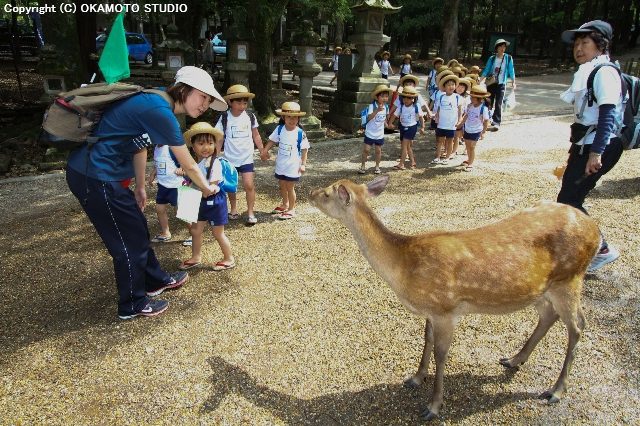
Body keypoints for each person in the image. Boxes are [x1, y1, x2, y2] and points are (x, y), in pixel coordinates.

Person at [65, 66, 227, 319]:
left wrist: (140, 187)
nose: (205, 104)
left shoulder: (154, 101)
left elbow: (138, 147)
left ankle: (155, 280)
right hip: (94, 177)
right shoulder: (160, 111)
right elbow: (189, 164)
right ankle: (132, 303)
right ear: (183, 89)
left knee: (138, 227)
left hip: (107, 176)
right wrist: (208, 189)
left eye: (208, 100)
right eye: (203, 97)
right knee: (127, 242)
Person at [558, 20, 624, 272]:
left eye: (585, 42)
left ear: (600, 45)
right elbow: (586, 117)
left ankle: (601, 249)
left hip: (600, 147)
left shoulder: (604, 71)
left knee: (569, 199)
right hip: (587, 145)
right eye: (576, 43)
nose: (578, 48)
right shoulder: (588, 70)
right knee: (568, 199)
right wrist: (576, 150)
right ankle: (584, 248)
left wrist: (595, 153)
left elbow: (608, 114)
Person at [179, 122, 235, 272]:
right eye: (201, 143)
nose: (206, 147)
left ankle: (229, 258)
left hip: (214, 202)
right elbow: (195, 177)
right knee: (196, 230)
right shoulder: (198, 162)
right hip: (200, 200)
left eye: (210, 143)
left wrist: (197, 189)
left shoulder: (215, 163)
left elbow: (211, 186)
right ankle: (196, 257)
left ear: (215, 145)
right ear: (193, 145)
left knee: (218, 232)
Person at [215, 84, 267, 226]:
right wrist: (214, 156)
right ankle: (233, 209)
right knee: (231, 186)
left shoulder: (250, 116)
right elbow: (219, 138)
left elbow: (256, 135)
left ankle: (250, 212)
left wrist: (262, 150)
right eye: (238, 102)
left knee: (249, 185)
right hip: (229, 158)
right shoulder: (224, 118)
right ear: (230, 102)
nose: (242, 105)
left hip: (246, 158)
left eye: (245, 102)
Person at [263, 102, 310, 220]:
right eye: (289, 116)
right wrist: (265, 151)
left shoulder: (300, 133)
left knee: (290, 187)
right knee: (282, 185)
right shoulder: (279, 129)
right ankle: (285, 204)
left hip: (293, 166)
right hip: (281, 164)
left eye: (295, 117)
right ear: (283, 117)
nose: (292, 119)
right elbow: (272, 141)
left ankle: (291, 209)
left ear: (299, 118)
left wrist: (303, 164)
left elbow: (304, 150)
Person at [147, 144, 184, 243]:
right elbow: (158, 164)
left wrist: (181, 168)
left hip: (176, 186)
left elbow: (184, 161)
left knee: (181, 212)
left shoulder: (171, 147)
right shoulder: (156, 148)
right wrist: (152, 174)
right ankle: (166, 232)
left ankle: (194, 234)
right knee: (159, 209)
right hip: (162, 185)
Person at [479, 39, 516, 130]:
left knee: (499, 103)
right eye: (501, 46)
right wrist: (480, 80)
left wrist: (513, 82)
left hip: (501, 84)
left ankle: (496, 122)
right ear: (497, 48)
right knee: (489, 102)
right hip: (491, 83)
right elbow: (487, 70)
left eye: (504, 47)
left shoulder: (508, 58)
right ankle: (487, 120)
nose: (503, 48)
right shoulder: (492, 58)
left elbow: (511, 71)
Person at [388, 86, 425, 170]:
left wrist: (422, 127)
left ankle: (401, 164)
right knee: (408, 146)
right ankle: (413, 162)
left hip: (411, 127)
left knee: (404, 146)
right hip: (403, 127)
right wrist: (390, 123)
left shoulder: (416, 106)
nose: (406, 100)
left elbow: (421, 117)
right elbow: (394, 115)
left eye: (409, 98)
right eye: (404, 97)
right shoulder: (401, 106)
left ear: (413, 99)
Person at [359, 84, 391, 174]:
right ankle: (363, 165)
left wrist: (387, 124)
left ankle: (377, 166)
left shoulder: (386, 107)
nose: (384, 98)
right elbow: (369, 117)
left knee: (378, 151)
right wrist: (377, 110)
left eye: (386, 96)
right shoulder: (372, 106)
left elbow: (384, 117)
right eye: (382, 96)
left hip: (379, 133)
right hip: (370, 132)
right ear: (377, 97)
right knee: (366, 150)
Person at [432, 74, 463, 165]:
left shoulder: (457, 97)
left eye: (453, 84)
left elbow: (460, 110)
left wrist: (459, 120)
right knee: (439, 141)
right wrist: (436, 117)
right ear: (444, 87)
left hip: (452, 125)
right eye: (449, 85)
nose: (451, 86)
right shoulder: (441, 97)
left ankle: (447, 157)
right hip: (441, 124)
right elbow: (438, 109)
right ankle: (437, 157)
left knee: (450, 141)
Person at [460, 85, 491, 171]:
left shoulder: (483, 108)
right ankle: (469, 159)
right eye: (471, 97)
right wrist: (460, 124)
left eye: (473, 98)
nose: (471, 99)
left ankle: (471, 163)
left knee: (472, 146)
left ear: (479, 99)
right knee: (467, 145)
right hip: (467, 128)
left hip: (477, 130)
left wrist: (484, 132)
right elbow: (466, 115)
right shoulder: (470, 106)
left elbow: (486, 121)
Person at [453, 77, 472, 156]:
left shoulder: (467, 97)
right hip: (453, 117)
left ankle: (466, 149)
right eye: (459, 86)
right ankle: (454, 150)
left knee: (465, 134)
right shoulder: (452, 95)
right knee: (456, 135)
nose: (460, 89)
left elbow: (468, 108)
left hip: (464, 117)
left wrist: (463, 117)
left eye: (463, 87)